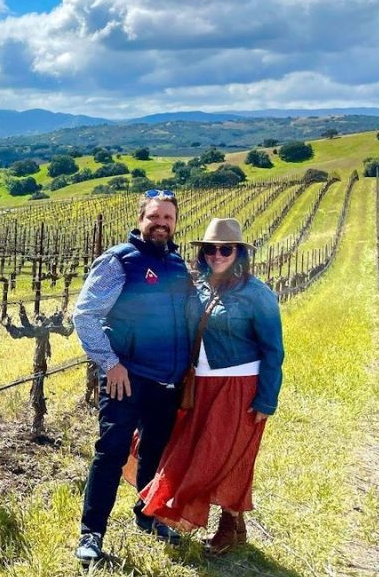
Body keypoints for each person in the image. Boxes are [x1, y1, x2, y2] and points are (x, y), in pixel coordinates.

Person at [139, 217, 284, 554]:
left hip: (240, 386)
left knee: (226, 457)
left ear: (239, 252)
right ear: (202, 252)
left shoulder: (256, 293)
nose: (217, 254)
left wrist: (266, 399)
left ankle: (227, 528)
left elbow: (274, 350)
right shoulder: (198, 287)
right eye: (211, 249)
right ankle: (237, 527)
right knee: (201, 453)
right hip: (200, 384)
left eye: (225, 249)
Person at [71, 189, 194, 564]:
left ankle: (147, 515)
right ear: (141, 219)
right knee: (111, 453)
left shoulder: (176, 264)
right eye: (153, 217)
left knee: (154, 454)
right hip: (126, 377)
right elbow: (85, 315)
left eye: (167, 218)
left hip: (167, 381)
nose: (160, 224)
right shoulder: (119, 261)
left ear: (175, 224)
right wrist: (110, 363)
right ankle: (91, 534)